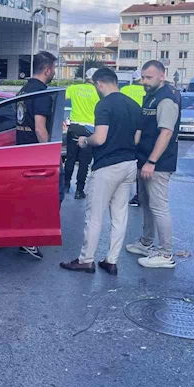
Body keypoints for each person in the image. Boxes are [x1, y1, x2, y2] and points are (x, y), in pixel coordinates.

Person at [60, 68, 140, 275]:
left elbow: (100, 138)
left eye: (96, 86)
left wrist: (85, 141)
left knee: (94, 215)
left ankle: (86, 260)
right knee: (120, 216)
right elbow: (137, 138)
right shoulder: (132, 104)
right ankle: (111, 261)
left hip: (107, 166)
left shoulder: (104, 104)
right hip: (130, 164)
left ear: (100, 84)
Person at [126, 60, 181, 269]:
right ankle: (146, 242)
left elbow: (166, 132)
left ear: (162, 76)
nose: (144, 81)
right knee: (146, 204)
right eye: (143, 77)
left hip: (157, 163)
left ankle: (166, 254)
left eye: (148, 77)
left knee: (159, 207)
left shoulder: (166, 99)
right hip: (144, 160)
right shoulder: (150, 96)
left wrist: (151, 161)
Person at [15, 51, 58, 260]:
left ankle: (25, 237)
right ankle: (30, 239)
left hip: (21, 151)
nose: (54, 73)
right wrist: (49, 155)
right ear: (47, 69)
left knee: (27, 197)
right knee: (44, 197)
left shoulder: (24, 88)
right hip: (35, 154)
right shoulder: (41, 92)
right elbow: (40, 128)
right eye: (54, 69)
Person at [64, 68, 100, 199]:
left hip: (74, 126)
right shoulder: (98, 91)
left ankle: (66, 184)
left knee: (70, 158)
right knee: (84, 162)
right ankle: (79, 190)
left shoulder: (74, 88)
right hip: (89, 129)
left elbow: (63, 98)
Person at [121, 70, 146, 206]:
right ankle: (140, 194)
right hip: (143, 129)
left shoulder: (125, 89)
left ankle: (121, 192)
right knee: (140, 162)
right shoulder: (147, 91)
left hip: (127, 129)